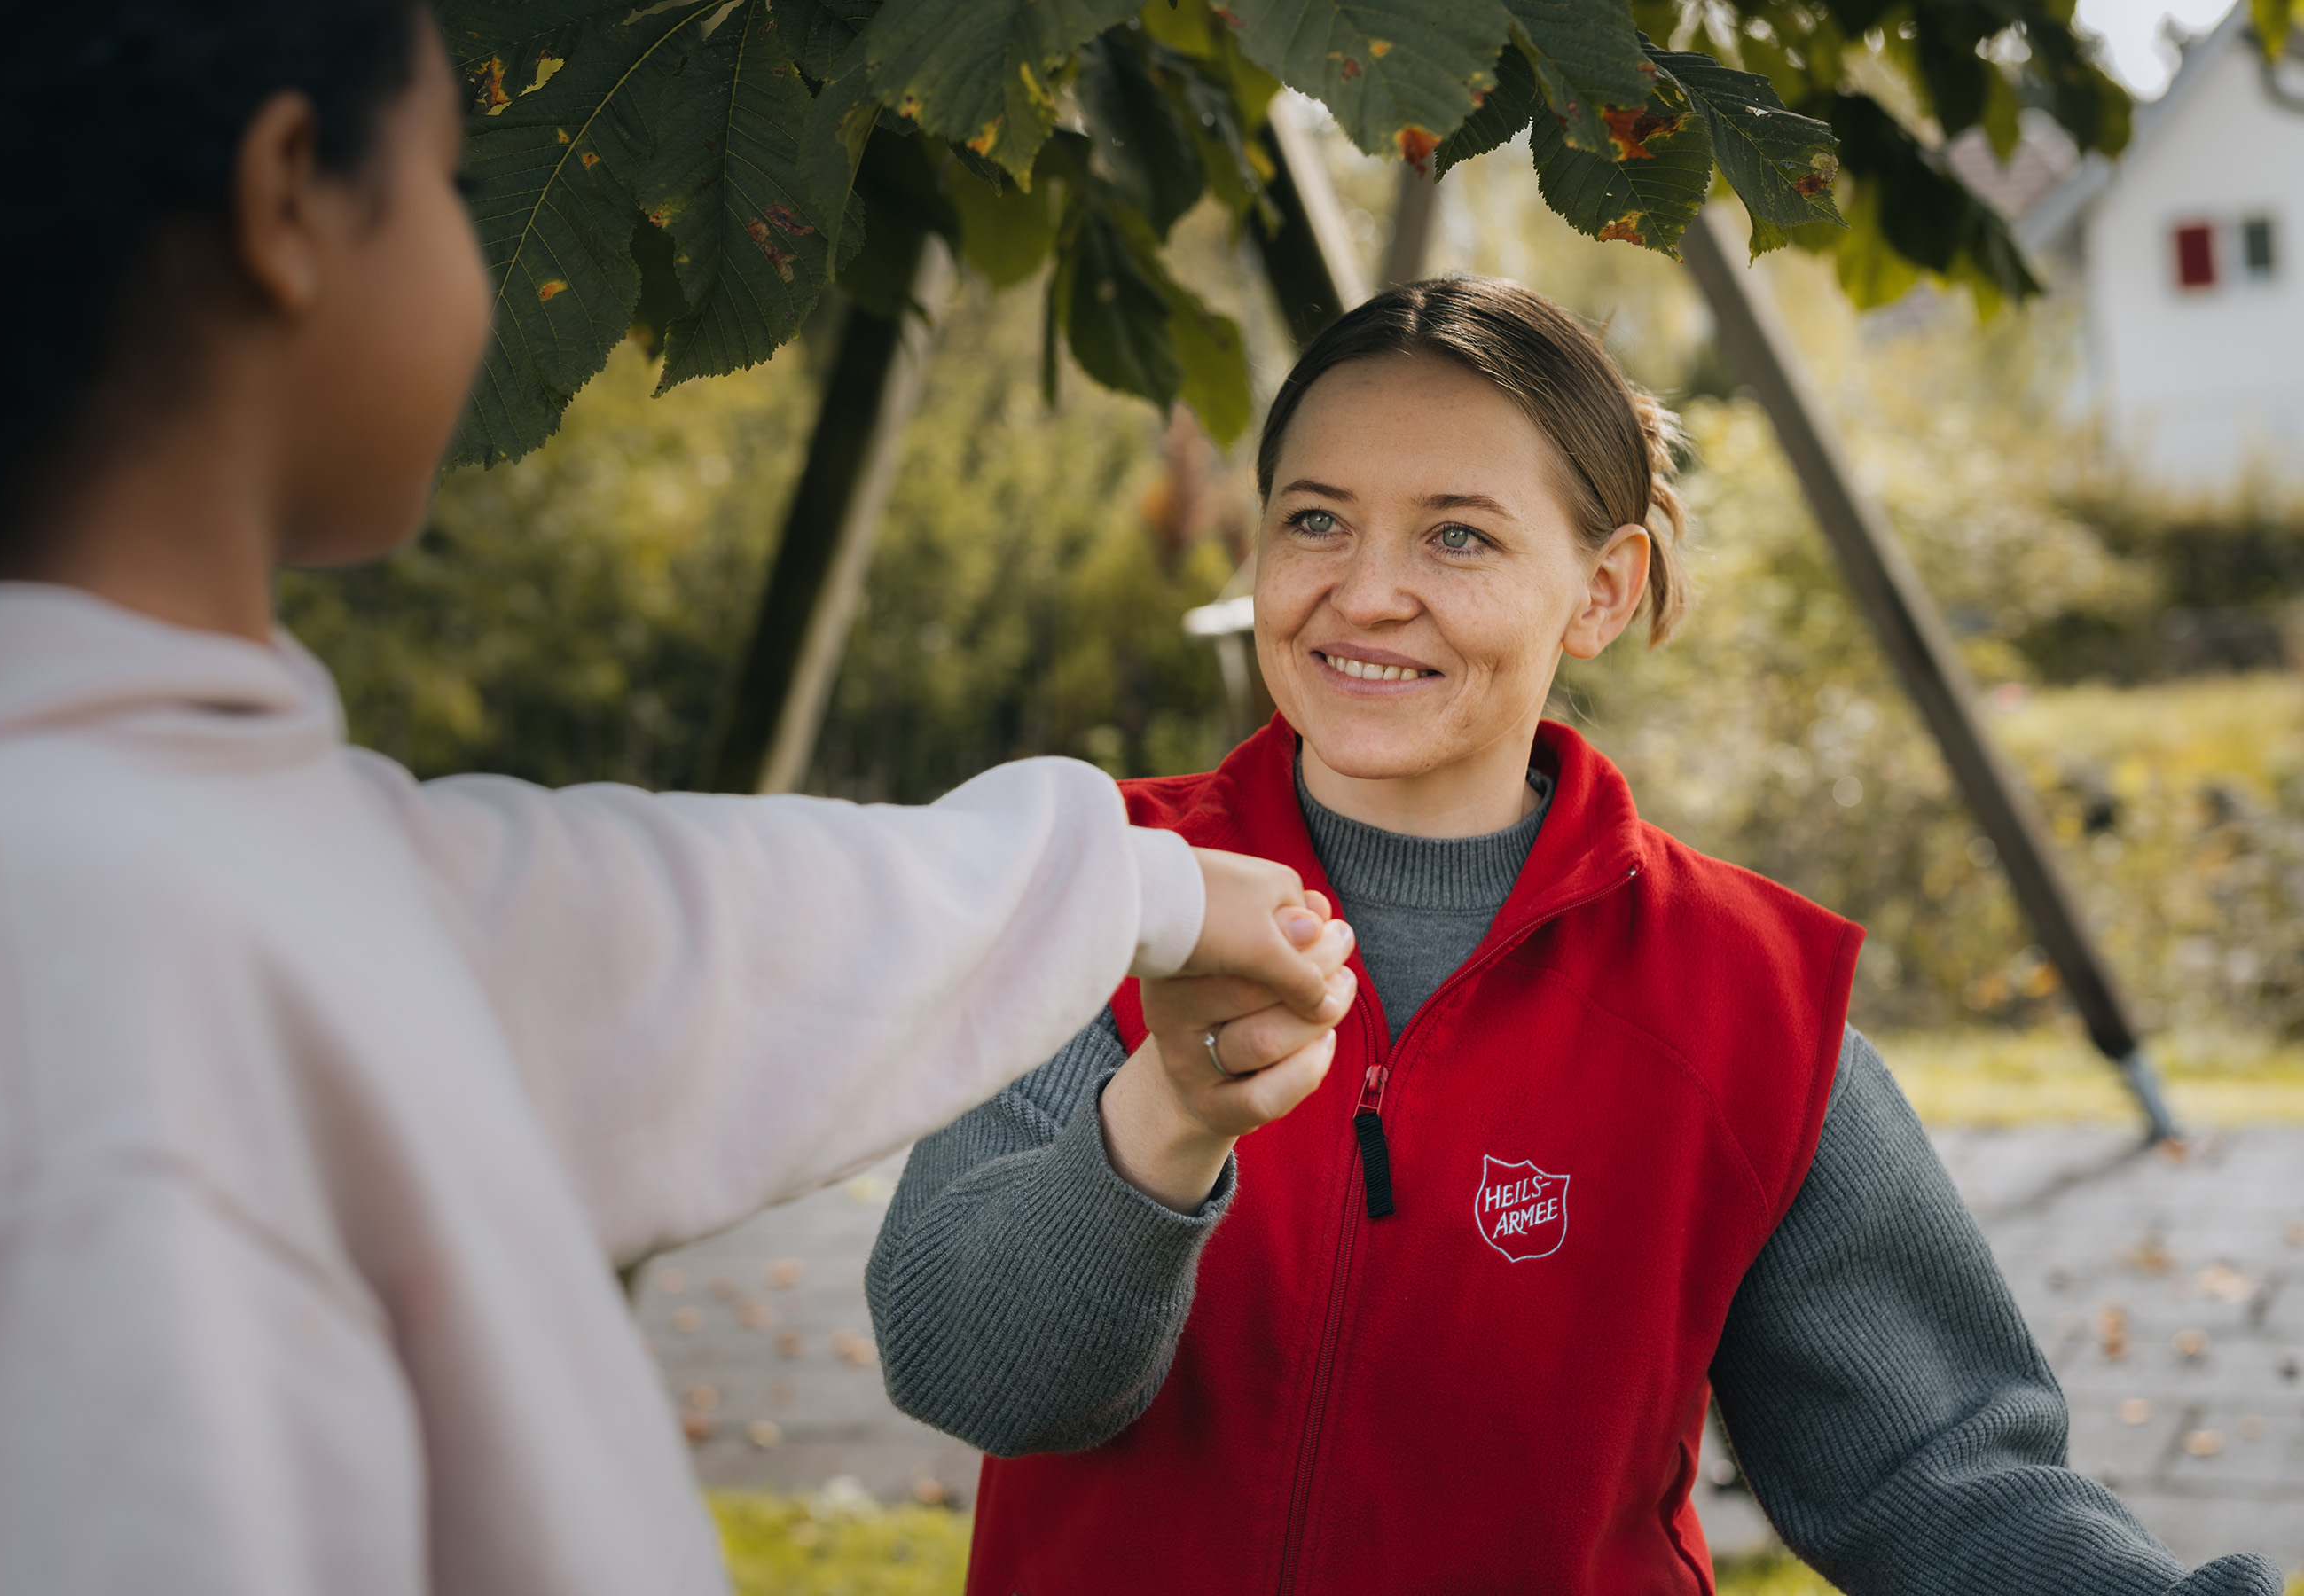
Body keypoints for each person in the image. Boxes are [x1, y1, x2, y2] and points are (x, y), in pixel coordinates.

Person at [0, 5, 1364, 1594]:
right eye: (457, 185)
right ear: (291, 195)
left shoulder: (131, 829)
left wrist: (1150, 889)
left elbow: (654, 932)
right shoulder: (57, 987)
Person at [869, 278, 2286, 1595]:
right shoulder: (1097, 890)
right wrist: (1167, 1118)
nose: (1365, 591)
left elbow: (1940, 1477)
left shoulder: (1747, 1003)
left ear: (1601, 590)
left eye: (1459, 535)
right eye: (1315, 520)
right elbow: (971, 1375)